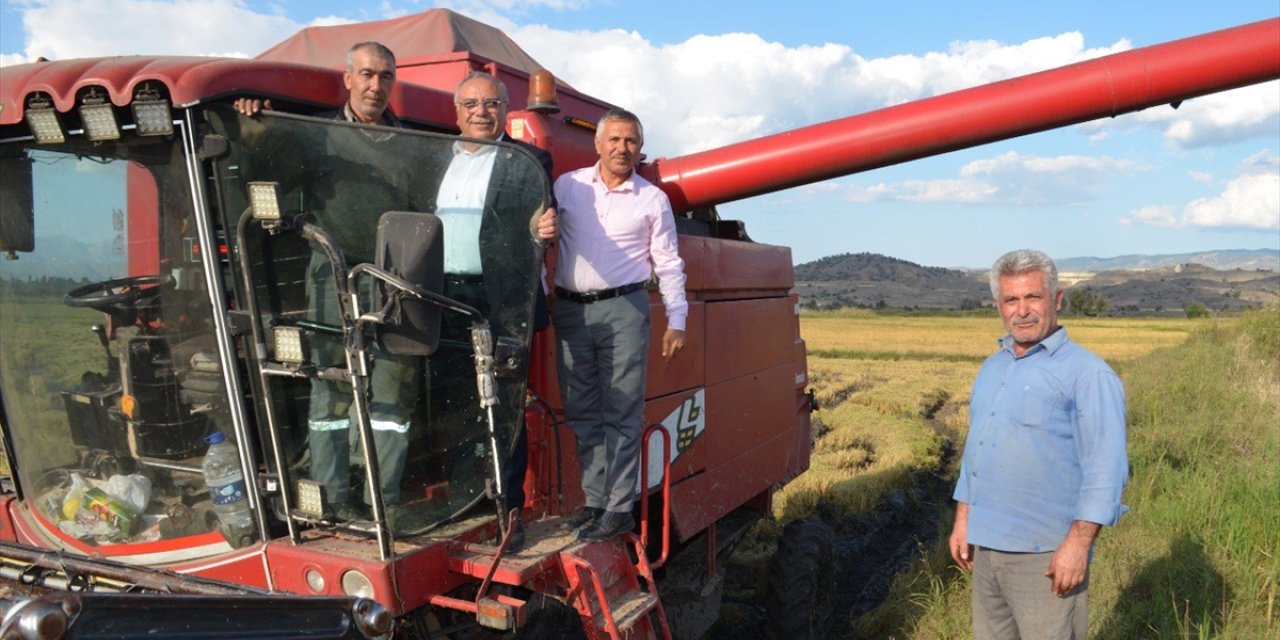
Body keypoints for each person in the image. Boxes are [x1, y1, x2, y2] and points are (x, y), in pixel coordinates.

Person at [236, 41, 413, 521]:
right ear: (348, 78)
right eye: (368, 74)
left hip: (395, 276)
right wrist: (258, 132)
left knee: (392, 391)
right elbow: (265, 180)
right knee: (329, 385)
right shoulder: (319, 139)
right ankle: (332, 497)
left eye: (385, 76)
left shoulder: (413, 145)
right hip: (331, 277)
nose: (376, 85)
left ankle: (384, 501)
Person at [949, 249, 1128, 639]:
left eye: (1033, 297)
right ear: (998, 305)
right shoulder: (993, 366)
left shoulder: (1088, 374)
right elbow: (976, 449)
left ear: (1057, 300)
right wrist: (964, 520)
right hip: (987, 548)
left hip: (1046, 555)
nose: (1022, 310)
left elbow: (1107, 467)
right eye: (1011, 300)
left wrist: (1078, 544)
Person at [431, 71, 557, 551]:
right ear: (456, 110)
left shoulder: (529, 159)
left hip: (502, 301)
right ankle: (466, 503)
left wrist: (543, 227)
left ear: (507, 110)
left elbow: (543, 216)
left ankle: (508, 512)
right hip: (443, 299)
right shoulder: (433, 157)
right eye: (471, 104)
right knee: (457, 405)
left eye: (491, 104)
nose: (481, 112)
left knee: (503, 407)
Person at [552, 108, 687, 542]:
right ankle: (594, 503)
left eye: (630, 141)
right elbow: (543, 238)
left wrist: (677, 319)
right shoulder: (567, 187)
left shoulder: (652, 200)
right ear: (598, 144)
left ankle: (619, 508)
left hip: (624, 310)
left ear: (640, 149)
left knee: (622, 410)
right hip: (570, 310)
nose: (621, 148)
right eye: (614, 140)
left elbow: (668, 263)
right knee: (582, 411)